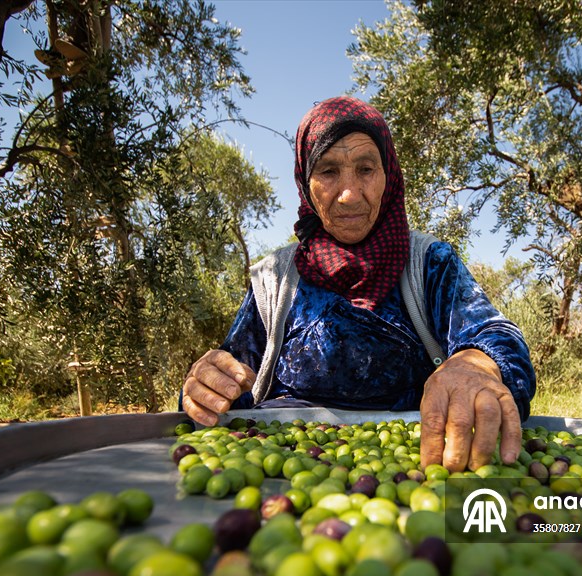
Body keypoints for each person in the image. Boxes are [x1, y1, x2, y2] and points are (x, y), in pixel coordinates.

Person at [181, 96, 536, 472]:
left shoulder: (429, 262)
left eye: (365, 169)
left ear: (388, 176)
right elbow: (225, 387)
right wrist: (205, 388)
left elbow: (497, 338)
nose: (349, 194)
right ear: (305, 182)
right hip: (285, 465)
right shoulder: (274, 278)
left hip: (416, 460)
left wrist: (475, 365)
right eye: (328, 171)